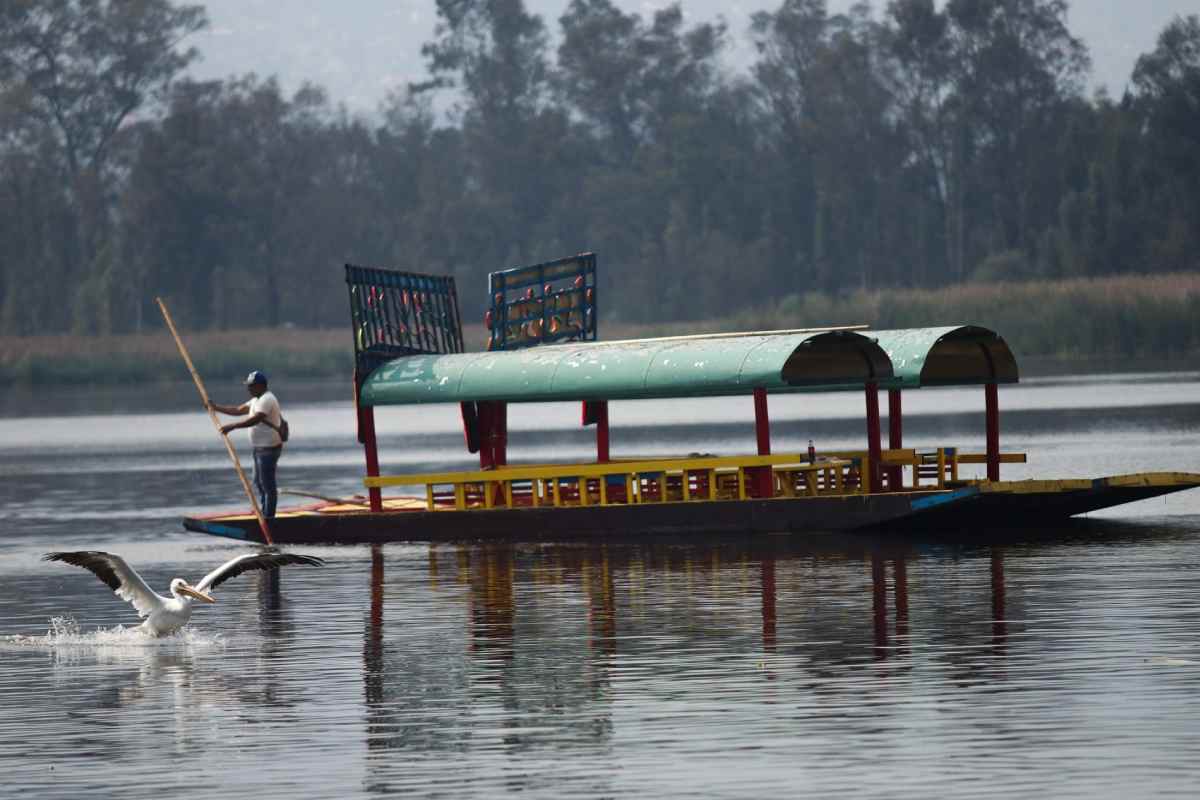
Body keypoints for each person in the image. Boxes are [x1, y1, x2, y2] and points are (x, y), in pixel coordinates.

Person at [211, 370, 284, 518]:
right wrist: (216, 408)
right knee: (258, 482)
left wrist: (233, 426)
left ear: (261, 386)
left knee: (267, 484)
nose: (248, 389)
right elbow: (238, 410)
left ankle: (269, 517)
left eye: (251, 386)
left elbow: (256, 419)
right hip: (259, 448)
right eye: (248, 386)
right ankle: (264, 512)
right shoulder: (255, 400)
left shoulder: (267, 399)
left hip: (269, 449)